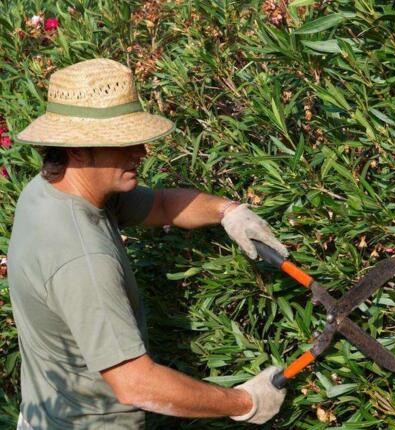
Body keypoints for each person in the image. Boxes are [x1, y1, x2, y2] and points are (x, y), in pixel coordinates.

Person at [8, 58, 288, 429]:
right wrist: (244, 401)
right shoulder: (82, 259)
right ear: (76, 150)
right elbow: (136, 383)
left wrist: (229, 212)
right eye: (124, 143)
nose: (141, 152)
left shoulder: (50, 190)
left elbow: (159, 204)